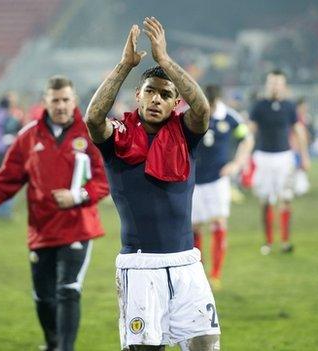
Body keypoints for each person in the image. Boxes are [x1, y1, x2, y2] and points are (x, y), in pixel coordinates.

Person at [85, 17, 220, 351]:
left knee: (207, 345)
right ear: (138, 95)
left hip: (188, 263)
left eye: (165, 95)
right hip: (140, 266)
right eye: (150, 92)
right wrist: (124, 65)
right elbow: (92, 119)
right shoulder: (118, 136)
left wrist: (164, 61)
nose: (157, 99)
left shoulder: (185, 134)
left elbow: (202, 108)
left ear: (176, 103)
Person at [0, 76, 109, 351]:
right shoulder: (28, 137)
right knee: (43, 297)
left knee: (68, 289)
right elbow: (6, 179)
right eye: (55, 100)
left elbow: (104, 180)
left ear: (75, 101)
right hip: (42, 230)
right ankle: (53, 343)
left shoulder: (90, 133)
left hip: (77, 226)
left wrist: (78, 195)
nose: (60, 106)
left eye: (66, 100)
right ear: (45, 102)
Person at [192, 84, 254, 290]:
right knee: (194, 226)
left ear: (217, 100)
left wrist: (236, 164)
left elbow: (247, 140)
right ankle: (198, 274)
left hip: (218, 180)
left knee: (219, 222)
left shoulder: (230, 117)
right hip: (193, 181)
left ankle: (216, 273)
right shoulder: (192, 113)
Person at [249, 69, 311, 255]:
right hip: (263, 157)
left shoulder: (290, 106)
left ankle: (285, 241)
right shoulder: (259, 105)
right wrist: (244, 157)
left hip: (284, 158)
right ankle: (268, 241)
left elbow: (299, 131)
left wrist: (305, 156)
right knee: (266, 201)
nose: (275, 86)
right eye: (272, 83)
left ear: (284, 86)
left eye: (278, 83)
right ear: (267, 85)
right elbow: (250, 131)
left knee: (286, 199)